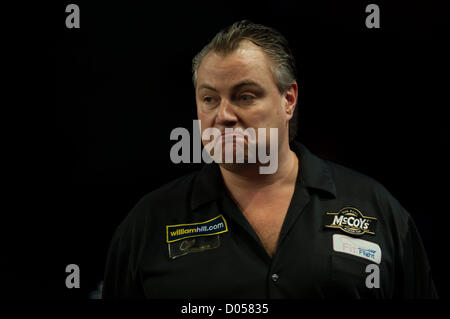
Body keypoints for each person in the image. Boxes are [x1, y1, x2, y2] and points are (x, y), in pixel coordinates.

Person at [102, 20, 437, 298]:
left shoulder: (374, 209)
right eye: (209, 99)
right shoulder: (148, 223)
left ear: (288, 99)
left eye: (244, 96)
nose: (224, 115)